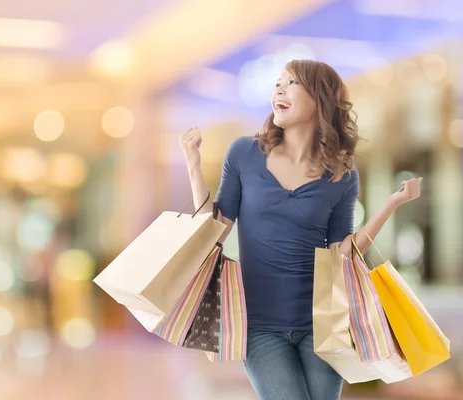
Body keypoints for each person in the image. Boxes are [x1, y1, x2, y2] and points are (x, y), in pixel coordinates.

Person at [179, 59, 423, 400]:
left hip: (323, 324)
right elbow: (213, 231)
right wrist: (192, 165)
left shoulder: (341, 173)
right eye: (278, 83)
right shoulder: (244, 154)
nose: (279, 88)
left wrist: (391, 204)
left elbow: (342, 253)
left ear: (320, 99)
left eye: (291, 82)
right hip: (259, 325)